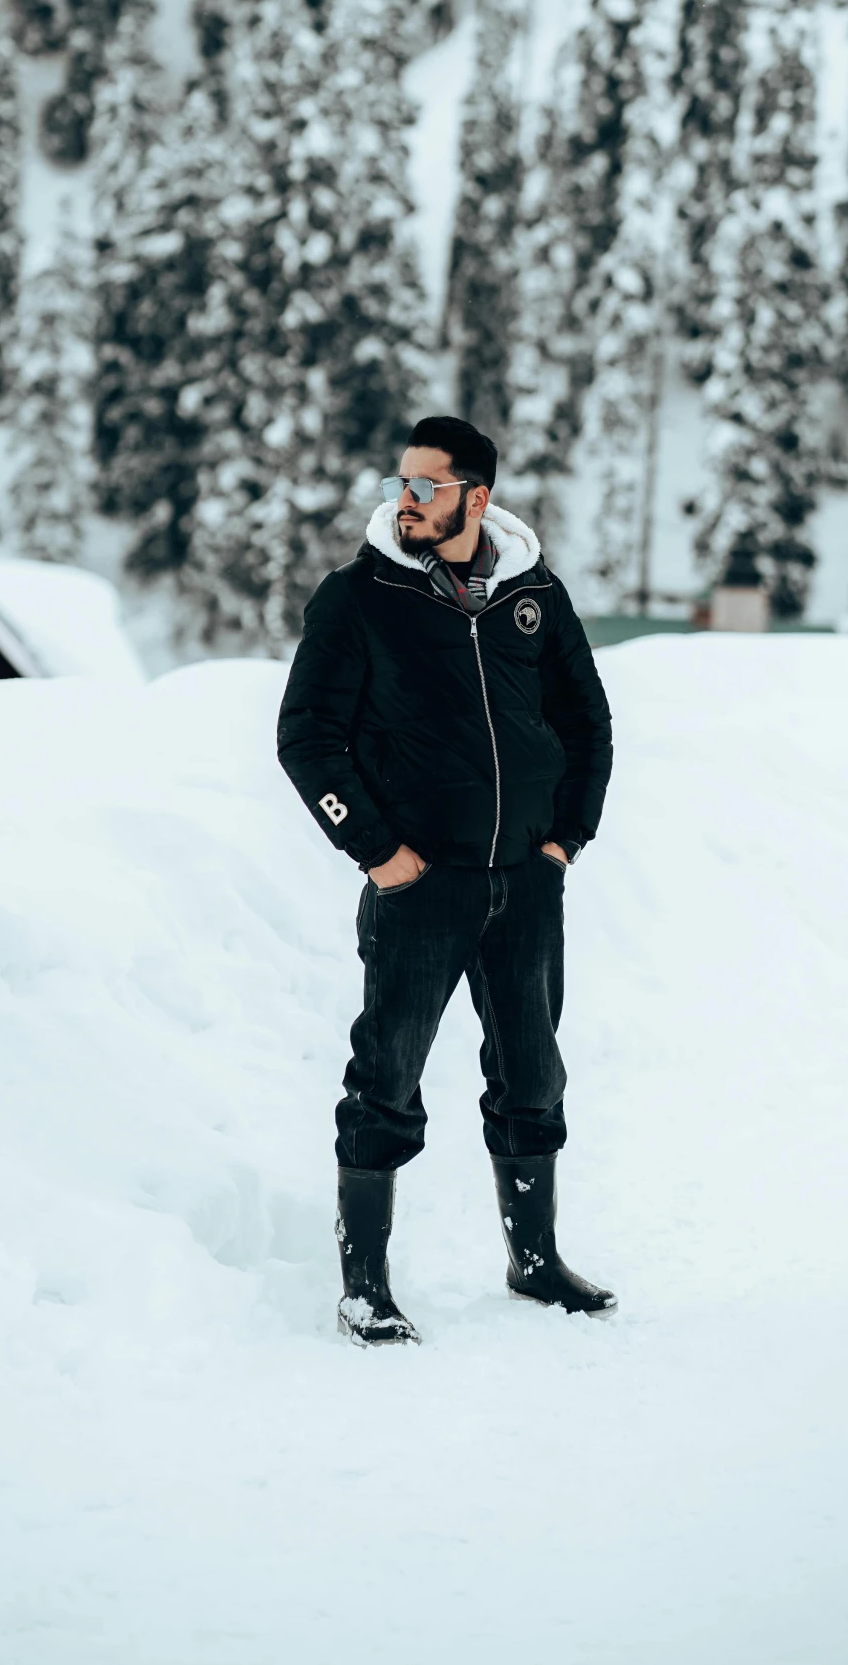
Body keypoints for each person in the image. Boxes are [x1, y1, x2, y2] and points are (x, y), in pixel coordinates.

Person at [277, 416, 616, 1346]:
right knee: (384, 1079)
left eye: (426, 485)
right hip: (419, 886)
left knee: (531, 1076)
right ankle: (364, 1288)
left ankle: (534, 1261)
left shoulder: (532, 593)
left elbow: (587, 724)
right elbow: (305, 739)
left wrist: (562, 843)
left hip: (525, 886)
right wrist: (379, 855)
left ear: (478, 495)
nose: (406, 499)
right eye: (400, 482)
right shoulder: (358, 598)